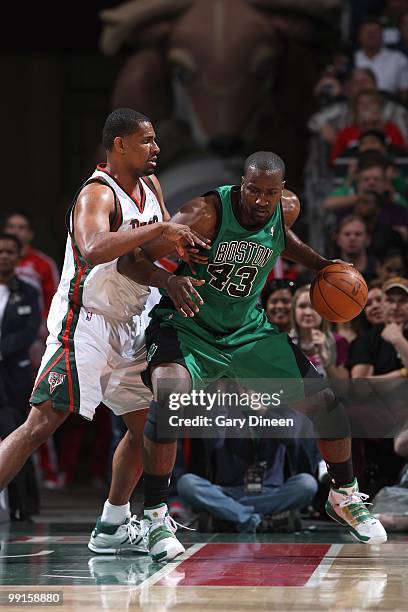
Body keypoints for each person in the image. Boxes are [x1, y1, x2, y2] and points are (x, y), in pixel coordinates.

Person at [118, 151, 387, 562]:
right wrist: (168, 281)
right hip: (188, 326)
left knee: (327, 402)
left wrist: (322, 265)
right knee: (169, 397)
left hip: (247, 331)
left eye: (270, 193)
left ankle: (344, 495)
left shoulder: (286, 209)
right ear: (241, 184)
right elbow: (131, 259)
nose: (262, 201)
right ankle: (155, 515)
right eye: (253, 190)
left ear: (282, 192)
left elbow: (281, 238)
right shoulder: (203, 215)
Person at [0, 108, 208, 552]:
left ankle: (112, 524)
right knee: (39, 425)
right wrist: (162, 229)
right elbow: (94, 248)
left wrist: (177, 264)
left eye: (155, 140)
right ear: (120, 145)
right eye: (147, 141)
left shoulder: (151, 187)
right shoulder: (97, 194)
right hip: (86, 322)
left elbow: (144, 255)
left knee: (146, 428)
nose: (156, 148)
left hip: (132, 322)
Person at [0, 233, 41, 519]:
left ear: (18, 257)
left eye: (9, 252)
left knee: (17, 434)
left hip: (13, 377)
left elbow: (29, 331)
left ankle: (23, 505)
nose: (4, 256)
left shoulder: (28, 291)